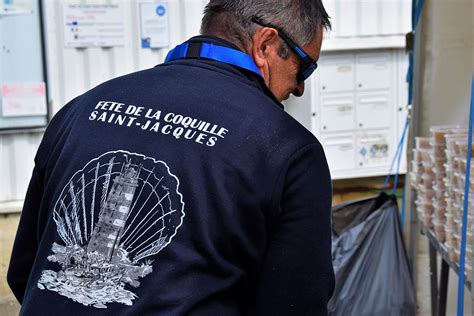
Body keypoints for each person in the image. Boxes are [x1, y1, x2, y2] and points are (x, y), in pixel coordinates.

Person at [8, 0, 334, 314]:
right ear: (266, 44)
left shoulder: (80, 110)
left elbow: (25, 272)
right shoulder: (288, 150)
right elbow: (296, 303)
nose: (300, 88)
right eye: (305, 67)